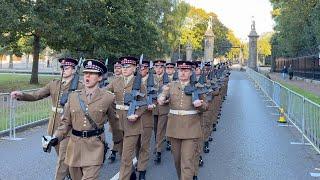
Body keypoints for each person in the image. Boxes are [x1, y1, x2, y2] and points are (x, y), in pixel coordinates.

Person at [11, 57, 83, 180]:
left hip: (70, 126)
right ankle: (73, 174)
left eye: (67, 68)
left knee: (63, 158)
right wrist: (22, 95)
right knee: (63, 156)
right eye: (62, 67)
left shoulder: (80, 85)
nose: (63, 70)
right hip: (54, 125)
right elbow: (37, 95)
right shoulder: (54, 84)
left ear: (74, 69)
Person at [45, 59, 117, 180]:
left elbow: (115, 123)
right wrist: (56, 137)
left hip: (95, 147)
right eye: (85, 73)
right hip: (74, 149)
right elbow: (65, 124)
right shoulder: (73, 97)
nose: (87, 76)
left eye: (92, 73)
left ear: (100, 77)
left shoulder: (108, 98)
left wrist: (119, 143)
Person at [158, 60, 207, 180]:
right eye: (181, 70)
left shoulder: (198, 87)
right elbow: (162, 96)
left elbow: (206, 106)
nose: (183, 73)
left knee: (187, 161)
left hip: (191, 129)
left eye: (186, 71)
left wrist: (199, 105)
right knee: (177, 160)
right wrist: (161, 99)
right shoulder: (171, 85)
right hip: (174, 128)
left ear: (191, 72)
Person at [106, 56, 146, 180]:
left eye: (128, 67)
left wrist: (137, 114)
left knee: (126, 157)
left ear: (134, 68)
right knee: (122, 153)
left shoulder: (139, 83)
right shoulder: (116, 81)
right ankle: (132, 174)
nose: (124, 69)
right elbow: (105, 93)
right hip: (118, 123)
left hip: (132, 123)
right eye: (123, 66)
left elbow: (143, 103)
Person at [135, 60, 155, 179]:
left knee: (144, 144)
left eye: (144, 68)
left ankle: (142, 169)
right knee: (136, 144)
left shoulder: (152, 81)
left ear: (147, 69)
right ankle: (139, 161)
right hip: (134, 117)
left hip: (147, 116)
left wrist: (153, 103)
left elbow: (158, 96)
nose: (141, 70)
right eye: (140, 68)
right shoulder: (133, 80)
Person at [152, 59, 170, 164]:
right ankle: (158, 143)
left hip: (164, 108)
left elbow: (172, 94)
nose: (158, 69)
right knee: (155, 129)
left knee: (160, 129)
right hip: (153, 108)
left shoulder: (168, 79)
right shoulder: (151, 78)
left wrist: (167, 100)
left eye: (160, 67)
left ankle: (158, 151)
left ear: (163, 68)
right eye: (156, 67)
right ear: (154, 68)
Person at [108, 60, 124, 163]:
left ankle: (116, 151)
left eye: (119, 68)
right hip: (114, 111)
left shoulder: (125, 80)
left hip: (125, 111)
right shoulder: (112, 80)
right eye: (115, 68)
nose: (117, 70)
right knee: (116, 131)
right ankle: (114, 151)